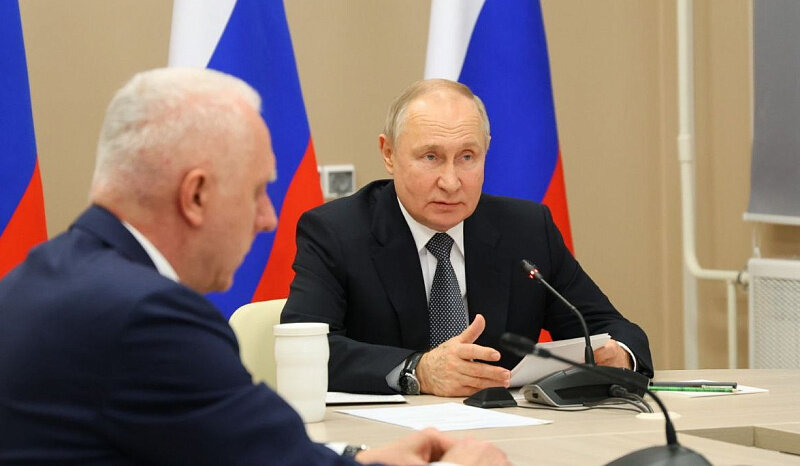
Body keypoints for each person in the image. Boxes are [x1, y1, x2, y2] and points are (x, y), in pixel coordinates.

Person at [0, 68, 508, 465]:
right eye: (256, 191)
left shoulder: (37, 278)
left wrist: (357, 458)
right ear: (196, 196)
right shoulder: (149, 318)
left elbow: (232, 451)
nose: (267, 218)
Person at [282, 79, 653, 396]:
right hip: (388, 436)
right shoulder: (336, 232)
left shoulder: (526, 230)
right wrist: (418, 370)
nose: (451, 181)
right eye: (431, 157)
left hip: (507, 433)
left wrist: (619, 354)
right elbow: (306, 351)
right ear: (389, 154)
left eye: (467, 157)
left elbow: (611, 329)